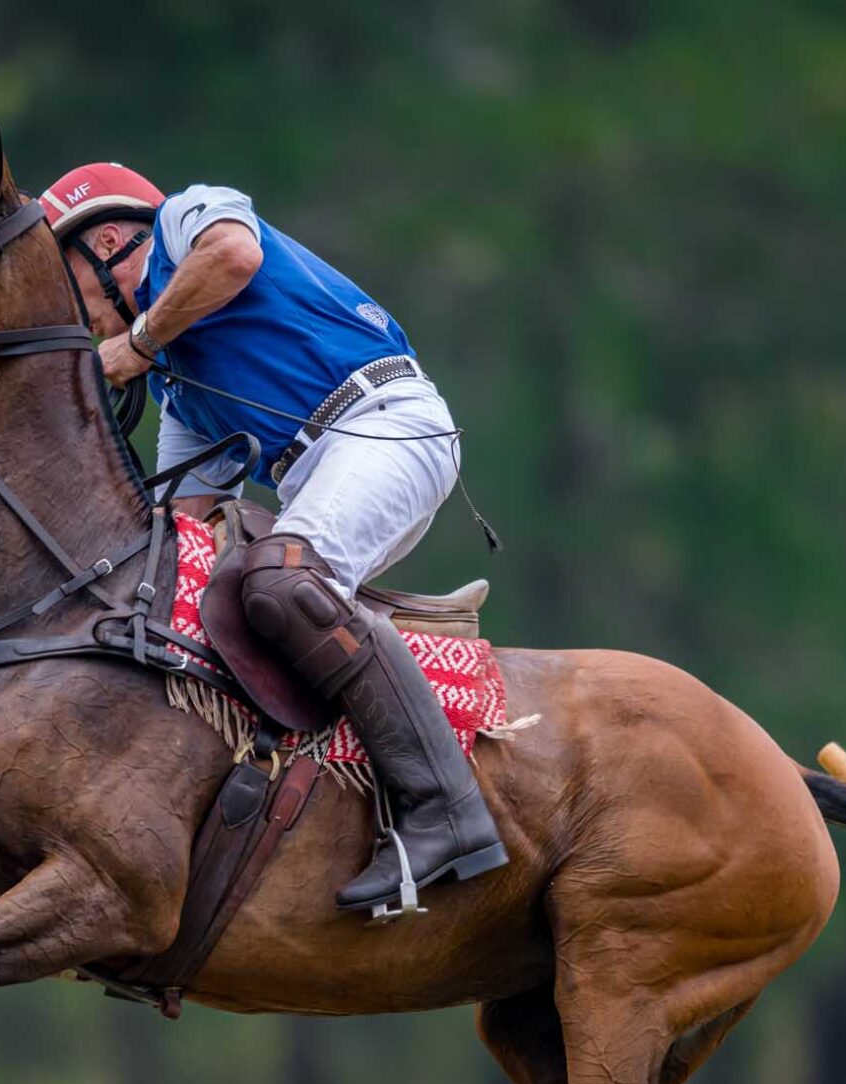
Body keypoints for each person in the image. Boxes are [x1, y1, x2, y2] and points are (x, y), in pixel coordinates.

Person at [37, 162, 506, 915]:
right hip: (322, 471)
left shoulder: (188, 218)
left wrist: (139, 342)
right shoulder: (179, 386)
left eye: (70, 287)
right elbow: (182, 524)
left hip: (389, 423)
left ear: (111, 242)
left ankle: (445, 810)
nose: (80, 321)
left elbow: (234, 255)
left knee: (282, 582)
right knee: (200, 603)